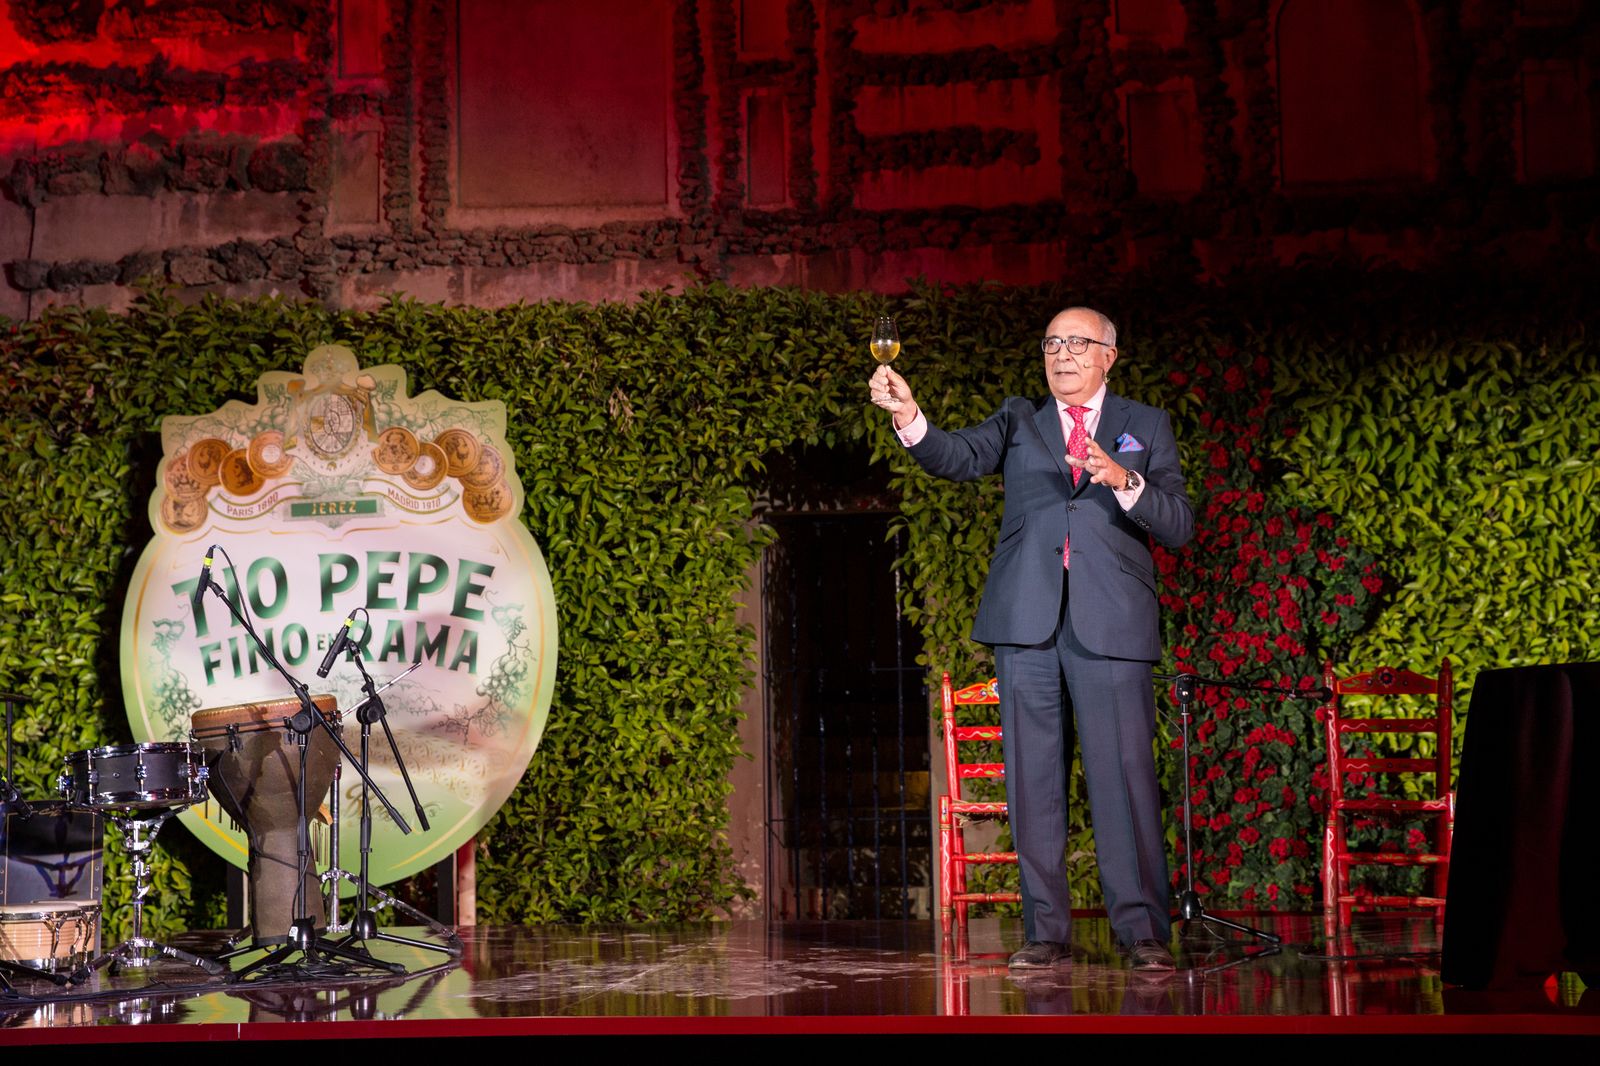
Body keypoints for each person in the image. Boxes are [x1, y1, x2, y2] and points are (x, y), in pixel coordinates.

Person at [869, 306, 1193, 971]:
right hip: (1027, 624)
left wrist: (1122, 478)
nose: (1062, 355)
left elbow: (1179, 523)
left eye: (1077, 343)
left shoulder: (1145, 425)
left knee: (1124, 782)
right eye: (1052, 343)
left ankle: (1143, 935)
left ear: (1109, 355)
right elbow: (956, 457)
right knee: (1033, 784)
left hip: (1113, 626)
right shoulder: (1021, 419)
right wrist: (909, 416)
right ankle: (1047, 934)